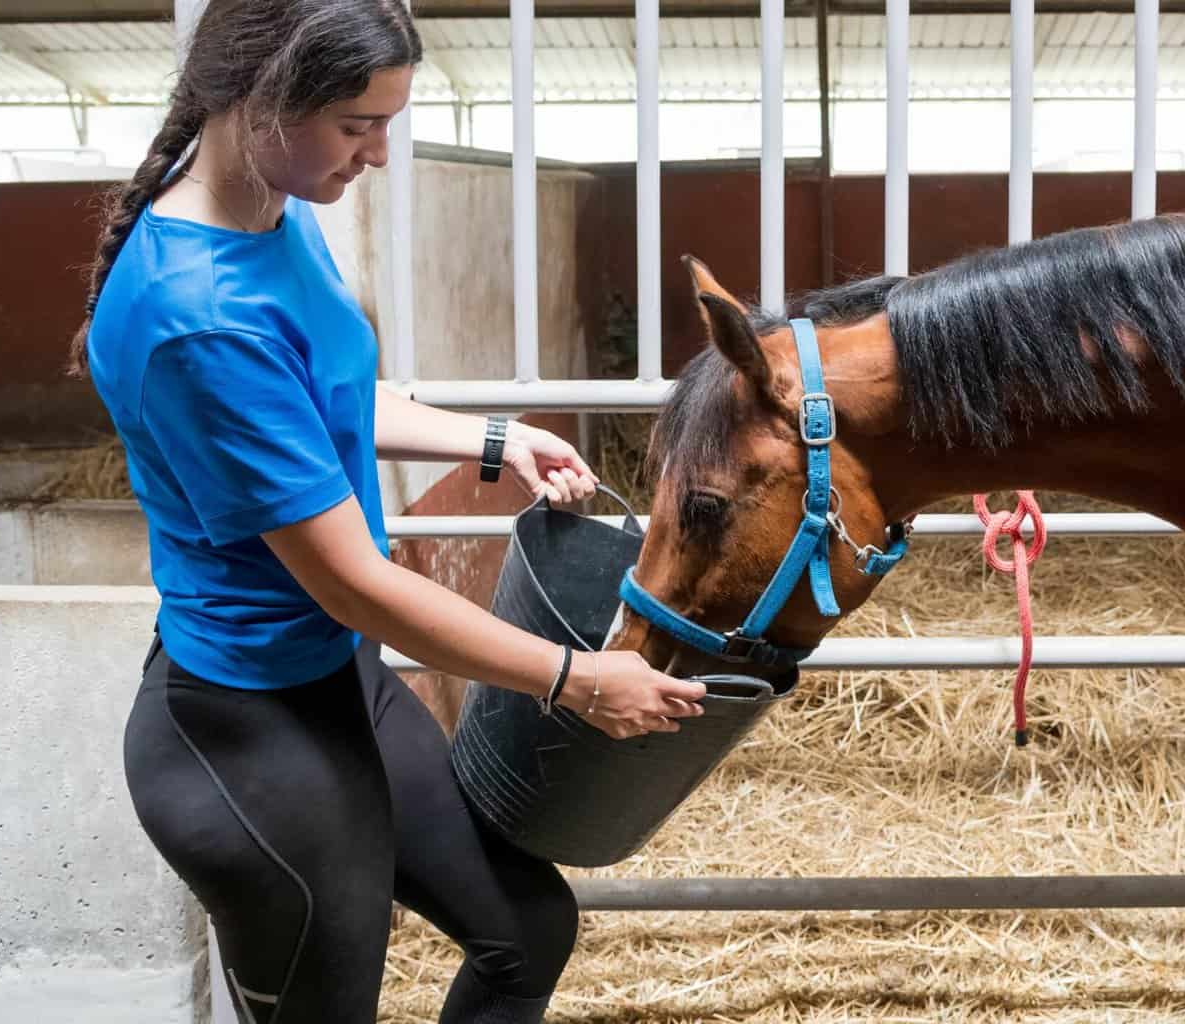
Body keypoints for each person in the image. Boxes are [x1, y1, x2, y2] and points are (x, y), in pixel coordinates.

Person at [67, 2, 706, 1020]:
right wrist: (575, 679)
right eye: (356, 126)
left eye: (388, 125)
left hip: (335, 681)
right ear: (258, 97)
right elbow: (357, 583)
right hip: (249, 727)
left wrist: (495, 439)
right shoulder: (198, 314)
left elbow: (320, 397)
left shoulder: (273, 213)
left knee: (524, 927)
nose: (373, 155)